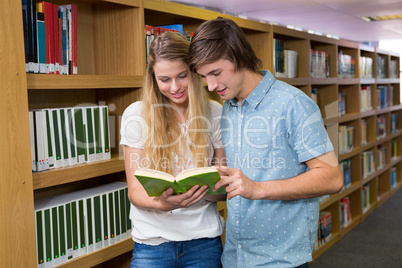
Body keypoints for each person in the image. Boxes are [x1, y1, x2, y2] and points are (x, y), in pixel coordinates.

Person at [188, 17, 344, 268]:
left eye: (216, 73)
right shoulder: (228, 108)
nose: (211, 85)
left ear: (239, 58)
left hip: (280, 260)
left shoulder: (292, 103)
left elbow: (332, 177)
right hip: (236, 257)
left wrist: (258, 188)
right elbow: (240, 183)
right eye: (204, 77)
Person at [120, 32, 227, 268]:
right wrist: (163, 204)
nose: (175, 87)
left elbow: (224, 190)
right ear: (153, 79)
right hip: (152, 243)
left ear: (195, 71)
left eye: (182, 76)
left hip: (203, 243)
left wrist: (202, 191)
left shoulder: (214, 113)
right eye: (165, 79)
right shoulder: (135, 115)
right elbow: (135, 191)